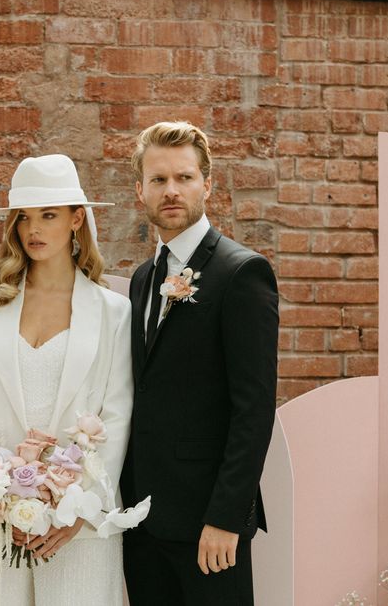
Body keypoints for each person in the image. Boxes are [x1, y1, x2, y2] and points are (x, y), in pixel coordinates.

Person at [0, 154, 133, 606]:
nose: (34, 229)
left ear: (76, 219)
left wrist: (78, 510)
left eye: (48, 215)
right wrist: (3, 493)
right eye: (24, 217)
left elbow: (117, 415)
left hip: (78, 526)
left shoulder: (113, 311)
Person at [120, 121, 279, 606]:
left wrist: (226, 518)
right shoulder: (142, 278)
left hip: (209, 528)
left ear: (208, 184)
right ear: (140, 190)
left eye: (184, 178)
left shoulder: (242, 273)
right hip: (142, 522)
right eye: (159, 180)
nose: (172, 191)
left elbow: (253, 409)